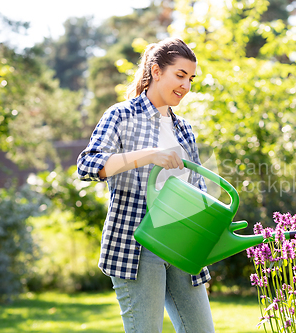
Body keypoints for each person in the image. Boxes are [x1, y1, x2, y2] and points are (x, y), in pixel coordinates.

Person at [77, 37, 215, 333]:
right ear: (155, 71)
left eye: (191, 78)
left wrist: (211, 231)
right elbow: (87, 165)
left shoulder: (184, 129)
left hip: (182, 242)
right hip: (137, 245)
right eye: (180, 75)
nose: (186, 86)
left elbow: (197, 186)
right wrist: (150, 156)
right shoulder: (121, 115)